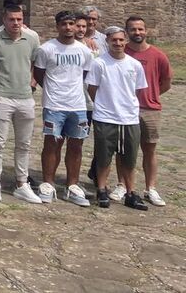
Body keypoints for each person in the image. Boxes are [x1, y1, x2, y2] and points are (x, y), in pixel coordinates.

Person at [34, 11, 93, 206]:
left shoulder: (83, 51)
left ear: (76, 26)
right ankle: (48, 183)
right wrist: (53, 91)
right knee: (52, 143)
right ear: (57, 26)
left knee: (76, 145)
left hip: (77, 105)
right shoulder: (47, 49)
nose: (68, 28)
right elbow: (40, 74)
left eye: (71, 24)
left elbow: (83, 75)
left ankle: (72, 185)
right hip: (54, 105)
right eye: (63, 24)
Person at [87, 26, 148, 210]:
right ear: (107, 41)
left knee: (129, 158)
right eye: (114, 40)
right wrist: (105, 105)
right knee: (104, 156)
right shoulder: (100, 63)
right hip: (106, 117)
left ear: (126, 41)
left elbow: (137, 89)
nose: (118, 43)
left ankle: (130, 192)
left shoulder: (134, 64)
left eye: (121, 40)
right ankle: (102, 190)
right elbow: (92, 89)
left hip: (129, 118)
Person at [0, 4, 41, 204]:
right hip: (1, 96)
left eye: (19, 19)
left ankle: (21, 182)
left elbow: (35, 61)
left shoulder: (32, 37)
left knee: (24, 144)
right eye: (12, 19)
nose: (16, 23)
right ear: (4, 19)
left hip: (25, 97)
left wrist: (33, 81)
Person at [119, 16, 173, 206]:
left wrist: (151, 95)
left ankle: (151, 188)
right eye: (133, 29)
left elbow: (166, 82)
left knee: (149, 149)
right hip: (125, 109)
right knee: (124, 149)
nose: (137, 33)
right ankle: (122, 185)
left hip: (150, 109)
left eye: (140, 29)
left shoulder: (158, 55)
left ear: (146, 31)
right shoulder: (121, 52)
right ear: (127, 32)